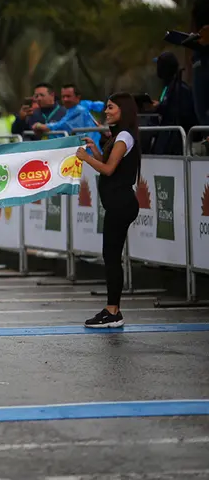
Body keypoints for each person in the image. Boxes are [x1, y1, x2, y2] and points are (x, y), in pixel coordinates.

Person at [75, 93, 141, 329]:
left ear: (123, 109)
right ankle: (112, 309)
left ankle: (113, 311)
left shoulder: (124, 136)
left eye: (111, 107)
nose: (106, 112)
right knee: (111, 256)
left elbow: (109, 169)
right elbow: (108, 161)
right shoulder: (118, 136)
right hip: (117, 203)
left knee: (112, 258)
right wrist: (94, 150)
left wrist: (85, 158)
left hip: (122, 203)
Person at [149, 52, 197, 155]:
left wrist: (160, 107)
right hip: (164, 138)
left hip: (174, 141)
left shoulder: (181, 89)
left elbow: (181, 113)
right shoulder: (168, 87)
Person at [31, 83, 104, 146]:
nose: (65, 99)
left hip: (89, 152)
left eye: (68, 96)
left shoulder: (78, 110)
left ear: (77, 97)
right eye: (63, 96)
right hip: (85, 148)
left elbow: (61, 125)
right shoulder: (83, 104)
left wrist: (40, 126)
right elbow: (103, 105)